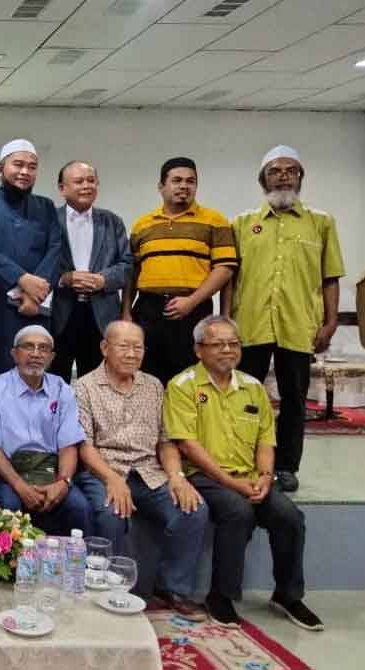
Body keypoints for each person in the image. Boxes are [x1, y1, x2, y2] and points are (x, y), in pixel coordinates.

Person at [164, 315, 323, 632]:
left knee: (289, 515)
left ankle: (287, 595)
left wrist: (265, 476)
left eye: (233, 343)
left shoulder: (253, 387)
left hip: (250, 478)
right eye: (218, 344)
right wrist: (231, 483)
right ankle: (221, 595)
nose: (227, 350)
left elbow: (266, 439)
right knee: (237, 512)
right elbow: (187, 445)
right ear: (199, 350)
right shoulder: (182, 386)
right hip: (205, 476)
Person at [224, 145, 345, 493]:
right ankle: (241, 459)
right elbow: (231, 277)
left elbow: (330, 277)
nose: (283, 176)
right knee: (244, 397)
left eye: (291, 170)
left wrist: (330, 322)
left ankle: (287, 466)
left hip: (299, 326)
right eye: (275, 171)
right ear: (263, 179)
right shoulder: (243, 223)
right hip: (250, 325)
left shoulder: (320, 223)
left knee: (295, 398)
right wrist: (226, 319)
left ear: (300, 177)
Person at [73, 320, 207, 619]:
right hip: (103, 469)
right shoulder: (84, 387)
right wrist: (112, 479)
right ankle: (114, 591)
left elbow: (165, 442)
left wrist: (177, 477)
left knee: (193, 509)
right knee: (110, 512)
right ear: (104, 348)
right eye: (124, 346)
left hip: (149, 470)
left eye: (138, 347)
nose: (132, 354)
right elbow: (85, 446)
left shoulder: (154, 385)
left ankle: (174, 588)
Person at [123, 157, 238, 386]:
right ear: (161, 186)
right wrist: (126, 312)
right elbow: (132, 273)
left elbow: (224, 269)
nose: (184, 186)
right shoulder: (142, 225)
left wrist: (192, 301)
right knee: (146, 379)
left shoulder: (215, 221)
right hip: (148, 310)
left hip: (193, 311)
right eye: (176, 180)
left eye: (190, 181)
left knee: (191, 380)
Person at [0, 325, 92, 536]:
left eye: (43, 348)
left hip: (50, 473)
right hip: (10, 473)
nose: (36, 354)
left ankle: (74, 568)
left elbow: (69, 445)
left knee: (79, 507)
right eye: (28, 347)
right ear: (14, 353)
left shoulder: (62, 390)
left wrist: (63, 482)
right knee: (9, 505)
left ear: (51, 357)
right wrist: (20, 486)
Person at [0, 139, 61, 378]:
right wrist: (22, 280)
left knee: (32, 373)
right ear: (0, 169)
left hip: (35, 306)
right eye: (18, 164)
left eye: (32, 166)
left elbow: (55, 248)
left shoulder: (46, 206)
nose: (25, 171)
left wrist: (35, 294)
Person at [49, 161, 133, 380]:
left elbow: (127, 266)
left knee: (99, 382)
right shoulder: (48, 220)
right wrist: (63, 278)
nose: (86, 186)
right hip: (59, 314)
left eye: (91, 180)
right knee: (54, 380)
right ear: (62, 188)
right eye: (78, 181)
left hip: (101, 315)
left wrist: (103, 280)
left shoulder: (112, 222)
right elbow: (36, 264)